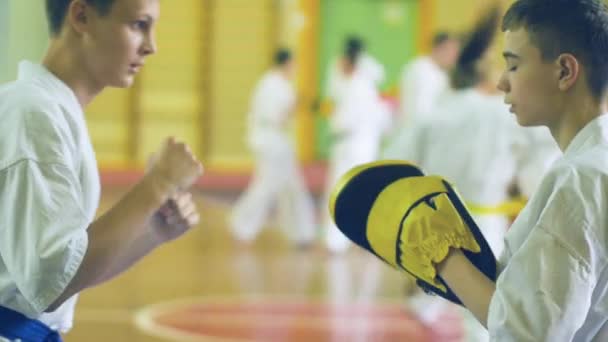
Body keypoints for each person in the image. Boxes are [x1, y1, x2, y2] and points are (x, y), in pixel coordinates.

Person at [0, 0, 203, 340]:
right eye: (139, 24)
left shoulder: (47, 111)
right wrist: (157, 184)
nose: (151, 45)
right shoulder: (33, 114)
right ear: (81, 16)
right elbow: (50, 283)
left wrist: (153, 231)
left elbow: (72, 269)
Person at [434, 0, 608, 339]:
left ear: (564, 72)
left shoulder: (579, 178)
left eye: (513, 66)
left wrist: (441, 255)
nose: (501, 82)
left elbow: (526, 332)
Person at [399, 6, 558, 340]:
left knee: (450, 289)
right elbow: (543, 151)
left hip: (435, 222)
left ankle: (425, 304)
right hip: (483, 224)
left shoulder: (432, 117)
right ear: (485, 74)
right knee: (485, 316)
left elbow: (398, 167)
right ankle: (428, 305)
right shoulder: (499, 115)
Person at [229, 48, 316, 246]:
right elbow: (280, 118)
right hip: (271, 141)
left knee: (292, 186)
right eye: (294, 64)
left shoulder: (270, 83)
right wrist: (297, 104)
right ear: (287, 63)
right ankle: (241, 226)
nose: (295, 68)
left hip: (274, 141)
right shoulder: (275, 85)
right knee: (267, 185)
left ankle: (302, 234)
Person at [323, 36, 391, 254]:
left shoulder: (364, 79)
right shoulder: (341, 74)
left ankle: (345, 241)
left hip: (358, 142)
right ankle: (342, 241)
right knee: (348, 190)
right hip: (350, 142)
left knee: (350, 190)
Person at [382, 31, 460, 159]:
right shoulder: (423, 71)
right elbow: (421, 113)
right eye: (453, 51)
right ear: (439, 49)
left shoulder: (437, 73)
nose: (455, 57)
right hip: (412, 141)